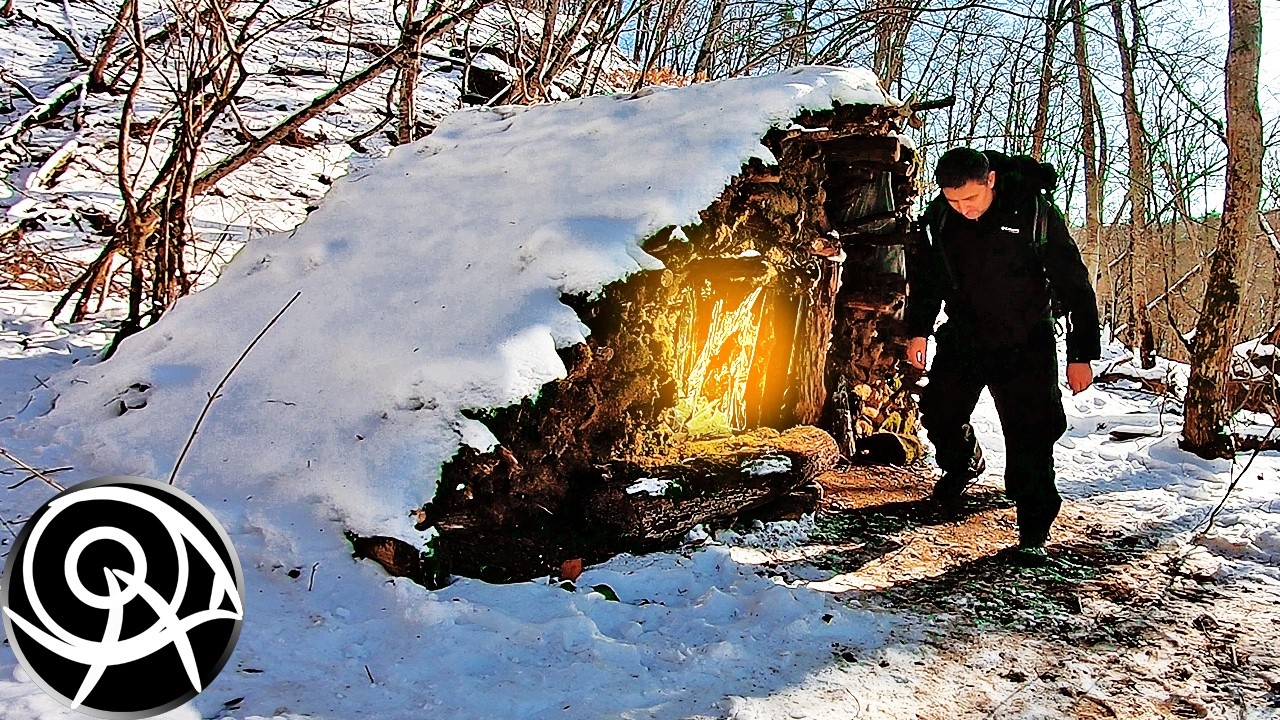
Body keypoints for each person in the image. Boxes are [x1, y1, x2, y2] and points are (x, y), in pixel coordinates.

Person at [903, 147, 1100, 564]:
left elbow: (1074, 283)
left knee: (1031, 433)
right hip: (964, 335)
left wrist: (1081, 352)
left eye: (970, 199)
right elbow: (929, 279)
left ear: (990, 180)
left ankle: (1034, 529)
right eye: (953, 201)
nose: (963, 209)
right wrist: (917, 330)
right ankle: (962, 463)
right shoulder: (940, 218)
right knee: (939, 411)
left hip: (1026, 339)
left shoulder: (1034, 212)